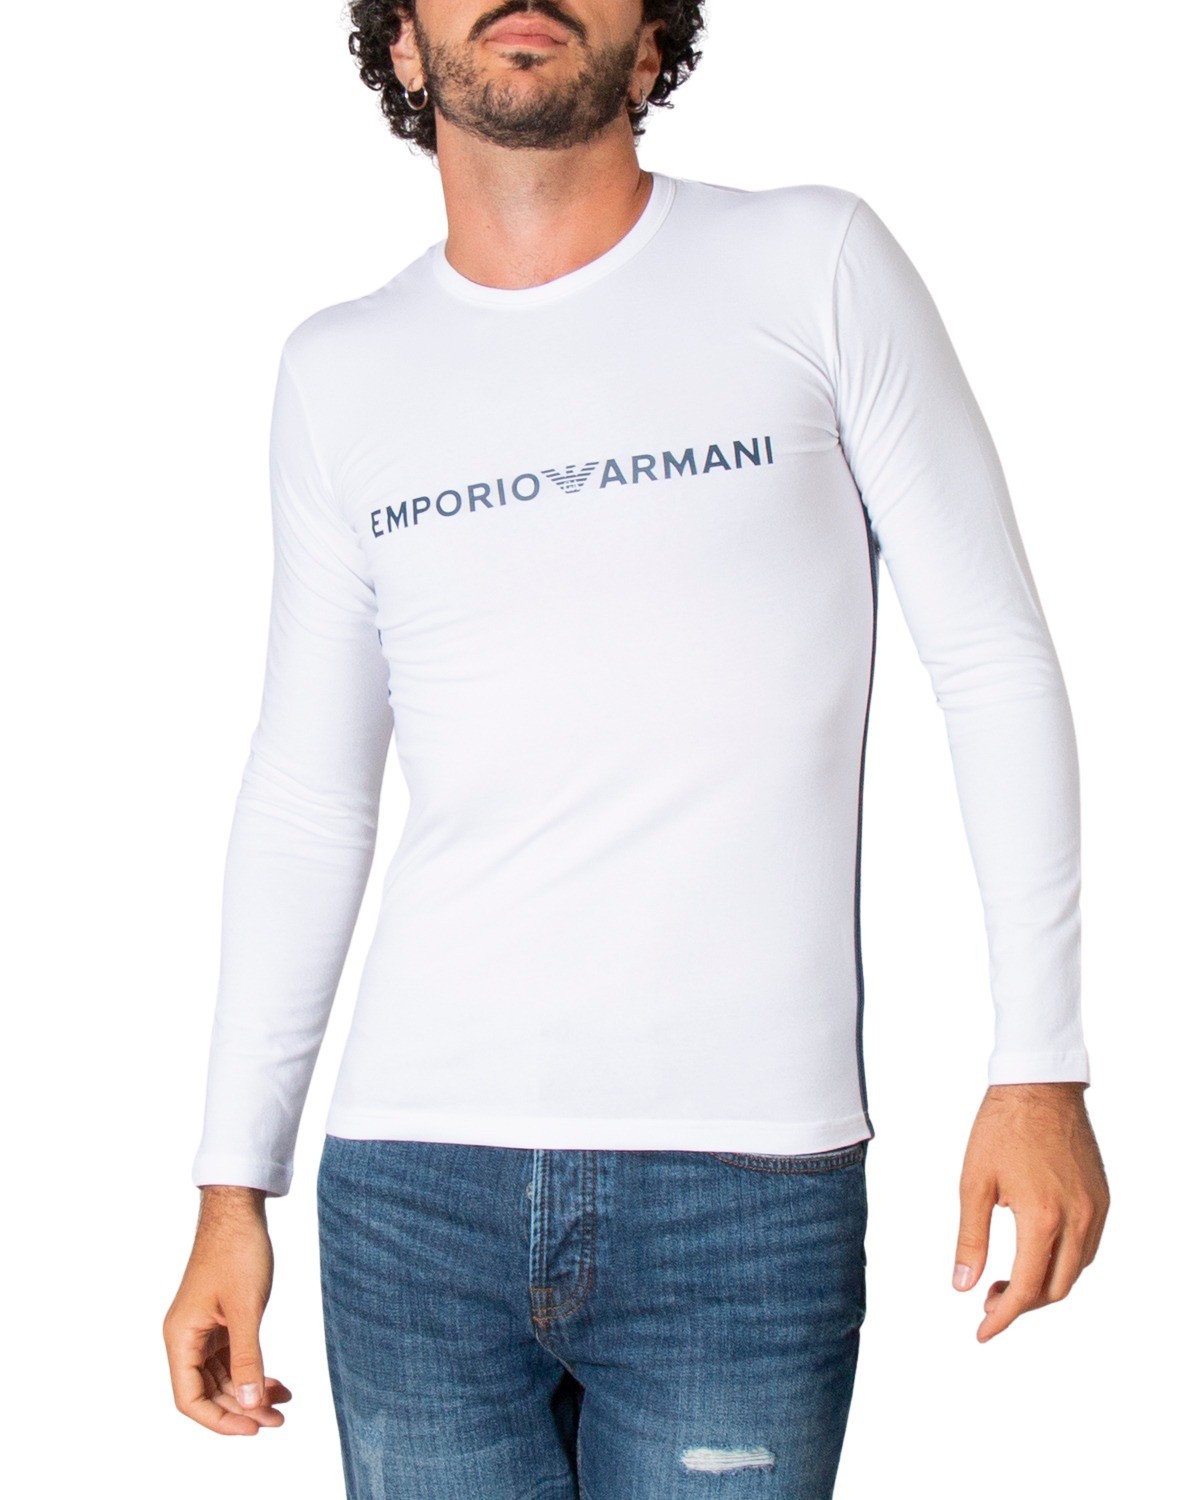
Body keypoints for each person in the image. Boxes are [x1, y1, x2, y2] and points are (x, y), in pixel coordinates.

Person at [163, 3, 1110, 1495]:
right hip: (409, 1191)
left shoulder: (811, 264)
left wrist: (1039, 1067)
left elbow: (989, 660)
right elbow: (307, 789)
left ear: (654, 43)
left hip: (740, 1189)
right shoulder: (339, 371)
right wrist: (234, 1184)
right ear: (400, 44)